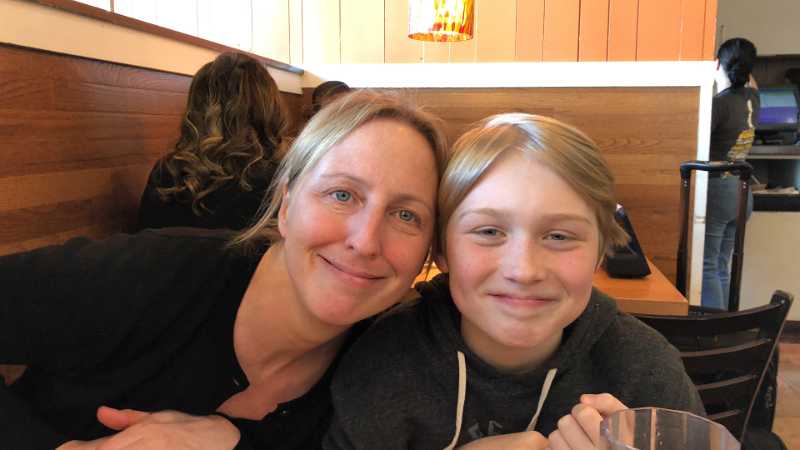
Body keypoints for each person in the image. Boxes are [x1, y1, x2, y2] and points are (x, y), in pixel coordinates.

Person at [0, 90, 447, 450]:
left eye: (406, 215)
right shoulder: (160, 272)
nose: (366, 241)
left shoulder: (384, 368)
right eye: (342, 195)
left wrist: (237, 441)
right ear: (286, 205)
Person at [324, 113, 704, 450]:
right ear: (441, 249)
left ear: (600, 253)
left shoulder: (644, 371)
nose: (523, 270)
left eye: (559, 236)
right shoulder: (383, 362)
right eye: (489, 231)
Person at [136, 51, 288, 232]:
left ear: (197, 110)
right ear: (269, 108)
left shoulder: (170, 171)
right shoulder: (285, 174)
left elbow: (146, 241)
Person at [703, 38, 760, 310]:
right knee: (721, 264)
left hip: (717, 190)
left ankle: (713, 327)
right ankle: (726, 323)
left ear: (717, 65)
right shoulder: (754, 98)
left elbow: (698, 143)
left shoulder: (718, 105)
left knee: (707, 265)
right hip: (741, 189)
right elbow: (751, 82)